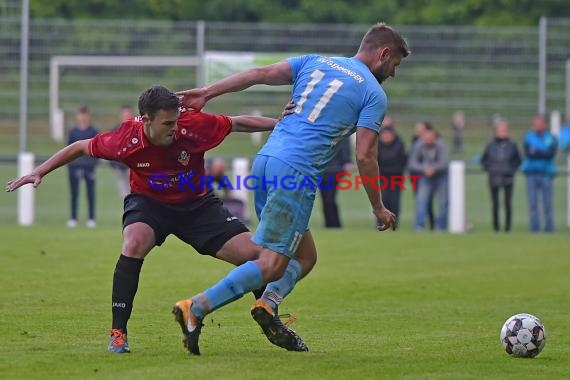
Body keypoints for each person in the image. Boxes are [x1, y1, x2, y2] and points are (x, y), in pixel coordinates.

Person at [6, 86, 311, 354]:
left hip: (197, 205)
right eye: (167, 123)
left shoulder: (192, 126)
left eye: (176, 121)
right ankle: (118, 333)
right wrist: (39, 171)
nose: (174, 129)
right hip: (149, 205)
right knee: (134, 242)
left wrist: (281, 126)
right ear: (146, 120)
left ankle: (270, 317)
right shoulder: (125, 139)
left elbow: (238, 123)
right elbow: (80, 147)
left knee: (257, 255)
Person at [175, 22, 408, 355]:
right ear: (383, 54)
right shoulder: (373, 93)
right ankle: (196, 307)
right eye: (395, 64)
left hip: (266, 161)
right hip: (297, 171)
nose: (393, 73)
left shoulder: (315, 61)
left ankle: (268, 304)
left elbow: (258, 73)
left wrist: (207, 92)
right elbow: (366, 154)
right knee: (270, 263)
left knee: (305, 255)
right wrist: (378, 207)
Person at [480, 120, 521, 232]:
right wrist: (491, 169)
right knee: (495, 204)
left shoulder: (512, 145)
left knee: (507, 203)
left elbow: (517, 161)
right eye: (500, 129)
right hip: (494, 177)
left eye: (504, 129)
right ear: (496, 131)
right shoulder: (490, 145)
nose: (502, 132)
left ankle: (508, 228)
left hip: (508, 177)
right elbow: (484, 160)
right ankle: (496, 228)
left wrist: (511, 170)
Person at [408, 124, 449, 231]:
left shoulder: (442, 146)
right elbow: (412, 163)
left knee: (444, 202)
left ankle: (441, 226)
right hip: (425, 176)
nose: (428, 140)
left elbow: (444, 162)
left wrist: (434, 168)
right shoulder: (418, 145)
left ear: (435, 137)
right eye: (425, 138)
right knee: (421, 201)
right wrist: (424, 168)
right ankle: (419, 226)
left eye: (430, 138)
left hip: (441, 176)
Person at [521, 114, 558, 232]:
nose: (537, 125)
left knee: (548, 203)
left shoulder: (551, 138)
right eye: (535, 123)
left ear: (544, 124)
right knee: (533, 204)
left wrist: (536, 152)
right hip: (531, 173)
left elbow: (550, 155)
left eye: (540, 123)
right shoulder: (528, 137)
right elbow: (528, 153)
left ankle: (549, 228)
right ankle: (535, 229)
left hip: (546, 173)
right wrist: (541, 153)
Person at [66, 106, 99, 228]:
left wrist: (93, 164)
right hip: (74, 167)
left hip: (89, 168)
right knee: (74, 194)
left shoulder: (93, 131)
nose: (83, 117)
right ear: (77, 116)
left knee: (90, 194)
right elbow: (68, 150)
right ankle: (73, 218)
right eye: (81, 114)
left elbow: (97, 150)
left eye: (85, 114)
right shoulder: (73, 132)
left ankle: (91, 219)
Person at [320, 138, 353, 228]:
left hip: (334, 169)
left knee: (329, 199)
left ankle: (333, 225)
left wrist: (348, 161)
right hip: (321, 169)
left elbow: (344, 145)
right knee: (326, 199)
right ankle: (331, 224)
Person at [377, 121, 407, 218]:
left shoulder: (399, 145)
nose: (386, 136)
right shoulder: (377, 146)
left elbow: (403, 161)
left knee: (394, 201)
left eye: (388, 134)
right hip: (382, 177)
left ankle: (394, 222)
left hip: (396, 177)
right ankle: (381, 222)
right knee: (382, 200)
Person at [410, 121, 435, 229]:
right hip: (416, 175)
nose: (418, 132)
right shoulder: (416, 142)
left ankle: (431, 223)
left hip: (430, 176)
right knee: (421, 200)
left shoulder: (434, 142)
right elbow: (412, 160)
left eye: (421, 130)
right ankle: (422, 224)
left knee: (427, 201)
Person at [109, 105, 134, 200]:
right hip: (120, 169)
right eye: (124, 114)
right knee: (125, 196)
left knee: (135, 195)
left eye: (128, 114)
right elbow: (109, 150)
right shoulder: (115, 131)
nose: (126, 117)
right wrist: (113, 167)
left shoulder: (138, 129)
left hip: (133, 170)